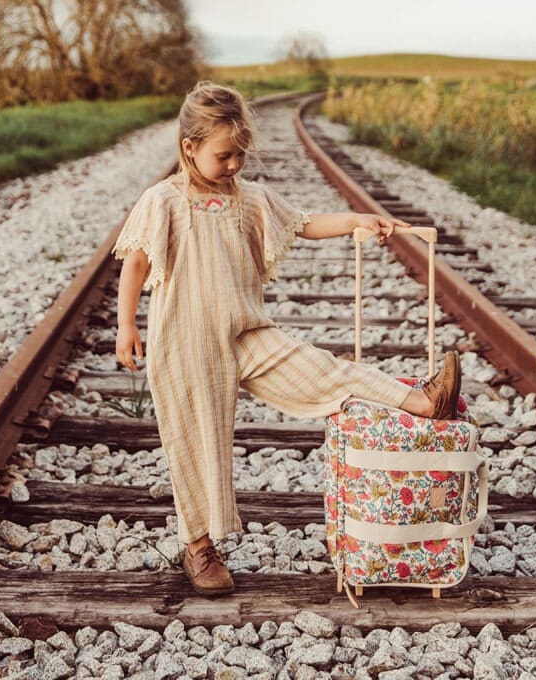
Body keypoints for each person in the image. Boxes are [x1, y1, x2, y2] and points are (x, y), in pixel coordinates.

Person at [112, 81, 461, 596]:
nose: (233, 165)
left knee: (323, 370)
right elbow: (136, 262)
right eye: (223, 155)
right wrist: (126, 325)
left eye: (239, 155)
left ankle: (424, 401)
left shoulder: (249, 199)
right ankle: (199, 545)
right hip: (185, 342)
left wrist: (356, 220)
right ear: (190, 148)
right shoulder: (162, 200)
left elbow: (305, 222)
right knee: (195, 442)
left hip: (247, 334)